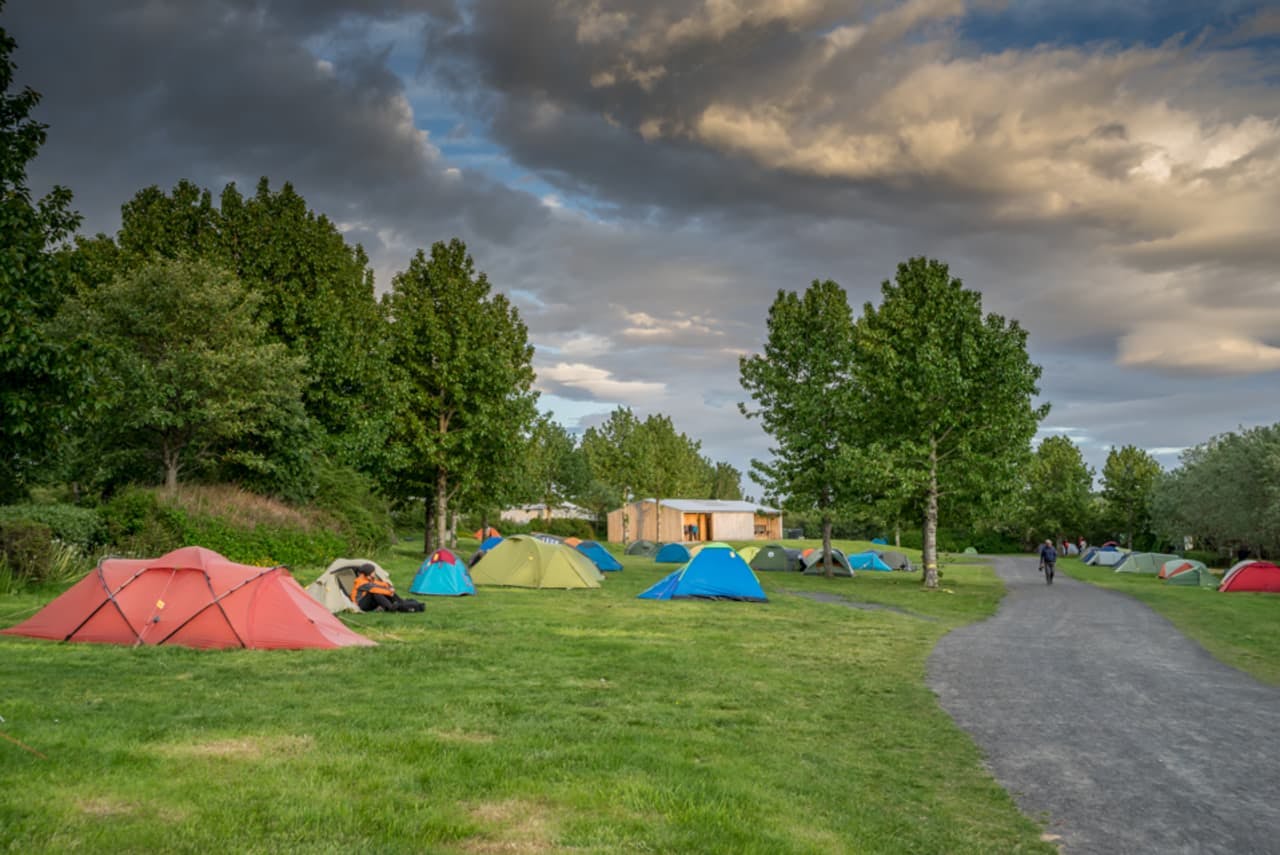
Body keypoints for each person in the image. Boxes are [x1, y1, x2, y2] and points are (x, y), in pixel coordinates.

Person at [351, 564, 423, 612]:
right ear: (368, 573)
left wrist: (388, 586)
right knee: (375, 593)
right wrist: (389, 592)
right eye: (373, 572)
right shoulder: (361, 582)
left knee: (383, 591)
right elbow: (374, 589)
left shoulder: (368, 580)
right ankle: (391, 607)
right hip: (361, 605)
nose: (374, 574)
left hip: (368, 603)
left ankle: (401, 602)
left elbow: (379, 584)